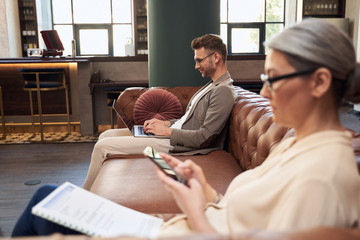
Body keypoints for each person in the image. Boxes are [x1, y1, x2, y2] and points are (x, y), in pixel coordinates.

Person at [11, 18, 360, 238]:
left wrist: (193, 209)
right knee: (49, 198)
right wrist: (204, 192)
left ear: (319, 82)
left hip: (181, 229)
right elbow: (245, 213)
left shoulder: (323, 174)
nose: (265, 92)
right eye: (266, 78)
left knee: (47, 202)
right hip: (181, 225)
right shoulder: (299, 147)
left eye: (276, 79)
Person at [82, 34, 237, 190]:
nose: (196, 66)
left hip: (177, 145)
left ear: (216, 57)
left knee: (102, 147)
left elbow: (204, 137)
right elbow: (189, 120)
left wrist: (167, 131)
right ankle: (97, 189)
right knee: (105, 135)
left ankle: (84, 195)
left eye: (199, 60)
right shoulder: (212, 85)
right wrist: (165, 123)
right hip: (172, 135)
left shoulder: (223, 91)